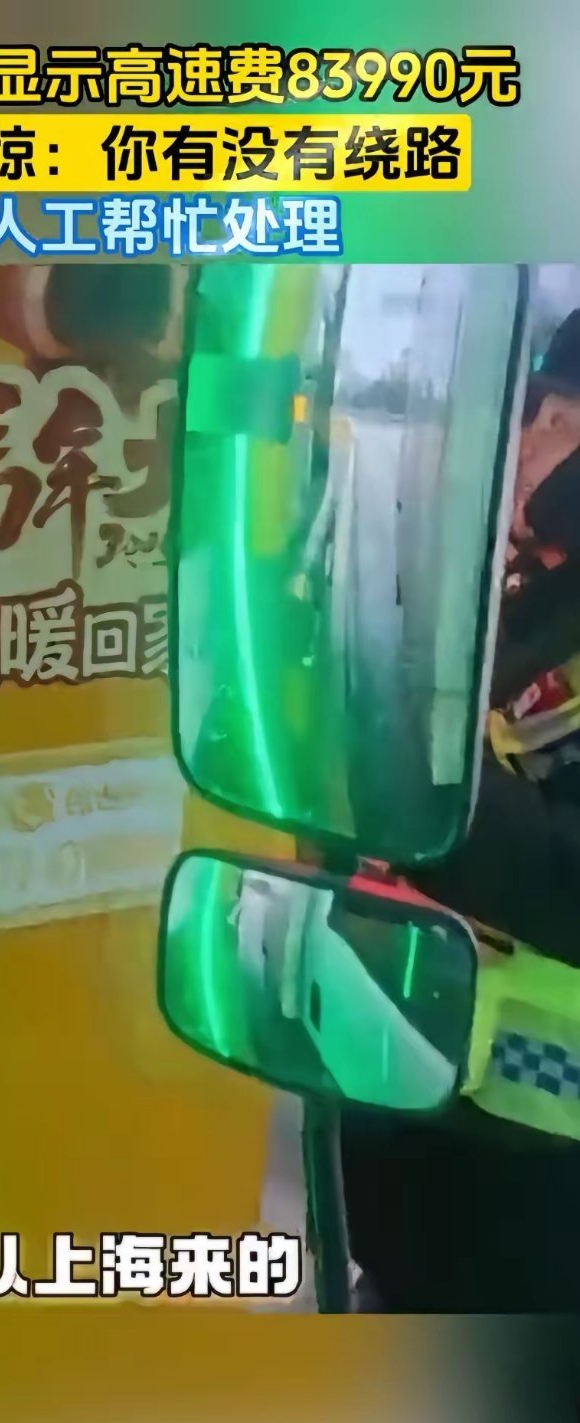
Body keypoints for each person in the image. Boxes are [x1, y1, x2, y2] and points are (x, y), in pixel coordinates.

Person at [340, 308, 580, 1313]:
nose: (523, 444)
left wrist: (411, 773)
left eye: (556, 420)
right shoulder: (537, 593)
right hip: (443, 1141)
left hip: (537, 1193)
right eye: (530, 414)